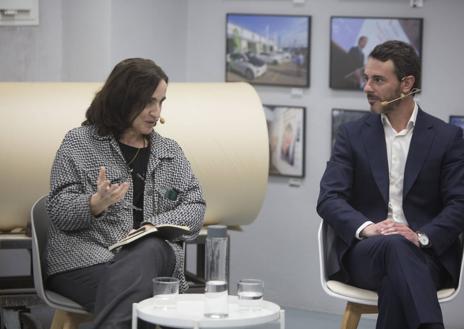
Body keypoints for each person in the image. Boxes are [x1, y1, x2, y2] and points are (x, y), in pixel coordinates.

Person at [46, 58, 206, 329]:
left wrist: (153, 227)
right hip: (86, 259)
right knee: (142, 301)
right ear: (123, 99)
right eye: (148, 102)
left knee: (150, 247)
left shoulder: (170, 152)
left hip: (153, 259)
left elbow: (195, 204)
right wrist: (94, 204)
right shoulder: (78, 143)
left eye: (161, 102)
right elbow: (59, 210)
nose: (155, 112)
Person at [317, 40, 464, 329]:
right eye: (366, 78)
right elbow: (329, 197)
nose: (367, 88)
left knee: (396, 282)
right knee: (394, 247)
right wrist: (367, 227)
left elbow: (460, 204)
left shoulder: (447, 138)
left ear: (406, 84)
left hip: (426, 254)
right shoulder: (352, 135)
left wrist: (420, 236)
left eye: (378, 80)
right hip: (367, 253)